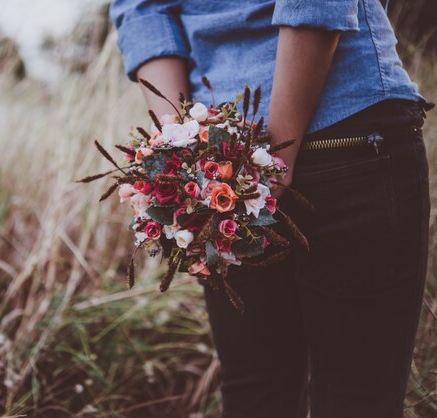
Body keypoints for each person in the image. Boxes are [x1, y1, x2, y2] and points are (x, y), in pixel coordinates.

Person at [108, 1, 433, 417]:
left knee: (256, 398)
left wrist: (189, 159)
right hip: (345, 134)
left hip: (223, 167)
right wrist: (197, 158)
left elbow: (142, 10)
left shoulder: (212, 172)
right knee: (357, 400)